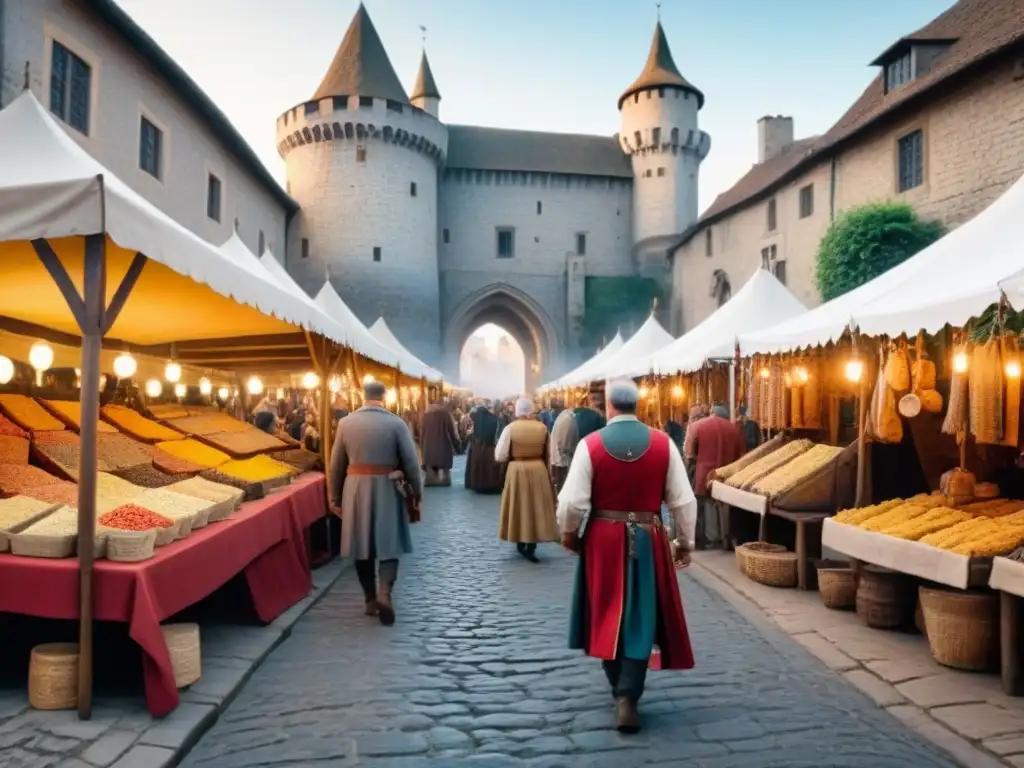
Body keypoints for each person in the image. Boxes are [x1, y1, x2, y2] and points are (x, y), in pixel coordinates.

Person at [557, 378, 696, 733]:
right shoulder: (664, 443)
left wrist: (570, 535)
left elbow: (571, 503)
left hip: (603, 537)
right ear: (639, 406)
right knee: (642, 614)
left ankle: (620, 689)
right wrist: (685, 542)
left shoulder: (591, 445)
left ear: (608, 408)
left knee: (605, 611)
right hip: (649, 536)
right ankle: (627, 694)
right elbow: (683, 500)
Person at [330, 380, 422, 626]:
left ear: (363, 395)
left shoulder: (345, 423)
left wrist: (334, 496)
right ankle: (384, 593)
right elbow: (412, 464)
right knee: (389, 543)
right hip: (387, 486)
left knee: (361, 544)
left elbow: (336, 464)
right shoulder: (396, 423)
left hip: (355, 487)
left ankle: (370, 599)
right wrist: (417, 493)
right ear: (385, 397)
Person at [496, 398, 558, 562]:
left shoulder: (510, 428)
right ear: (531, 410)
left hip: (516, 469)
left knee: (519, 505)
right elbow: (552, 455)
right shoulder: (542, 428)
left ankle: (520, 540)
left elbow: (500, 455)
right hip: (538, 468)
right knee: (536, 506)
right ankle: (532, 544)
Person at [686, 404, 745, 549]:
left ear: (711, 412)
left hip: (704, 473)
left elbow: (690, 454)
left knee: (704, 506)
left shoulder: (697, 426)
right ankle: (725, 537)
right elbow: (741, 455)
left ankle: (705, 539)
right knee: (724, 506)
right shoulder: (734, 429)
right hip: (728, 475)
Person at [466, 402, 503, 493]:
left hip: (477, 448)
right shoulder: (494, 419)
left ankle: (478, 485)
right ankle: (491, 485)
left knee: (478, 467)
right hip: (490, 448)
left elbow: (471, 433)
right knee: (490, 468)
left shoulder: (476, 419)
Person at [421, 399, 458, 486]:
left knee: (430, 473)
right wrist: (457, 446)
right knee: (445, 477)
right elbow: (451, 431)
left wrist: (422, 447)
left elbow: (422, 432)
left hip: (428, 448)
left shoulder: (426, 415)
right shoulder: (445, 414)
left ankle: (430, 479)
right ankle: (443, 479)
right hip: (443, 448)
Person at [550, 400, 577, 494]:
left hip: (559, 459)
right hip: (562, 460)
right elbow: (563, 443)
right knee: (562, 486)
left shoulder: (564, 417)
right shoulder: (567, 418)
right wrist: (571, 451)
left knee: (560, 485)